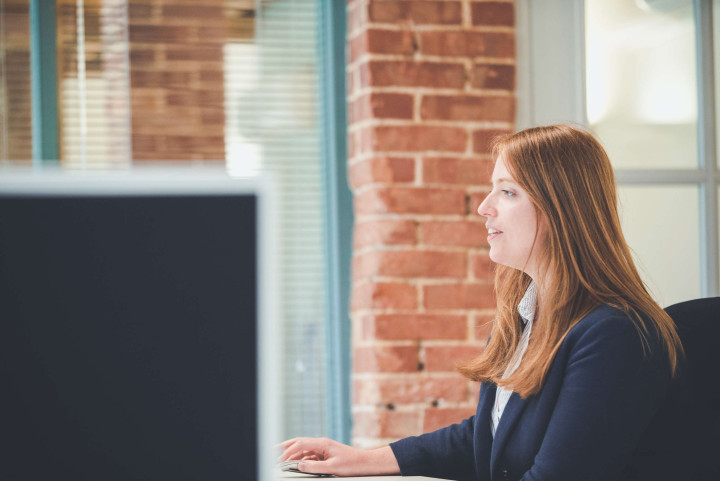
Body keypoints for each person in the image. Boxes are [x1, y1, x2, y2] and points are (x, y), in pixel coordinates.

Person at [277, 124, 685, 481]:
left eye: (507, 192)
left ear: (562, 209)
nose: (483, 208)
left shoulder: (615, 334)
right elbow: (488, 435)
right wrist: (363, 460)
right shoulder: (527, 316)